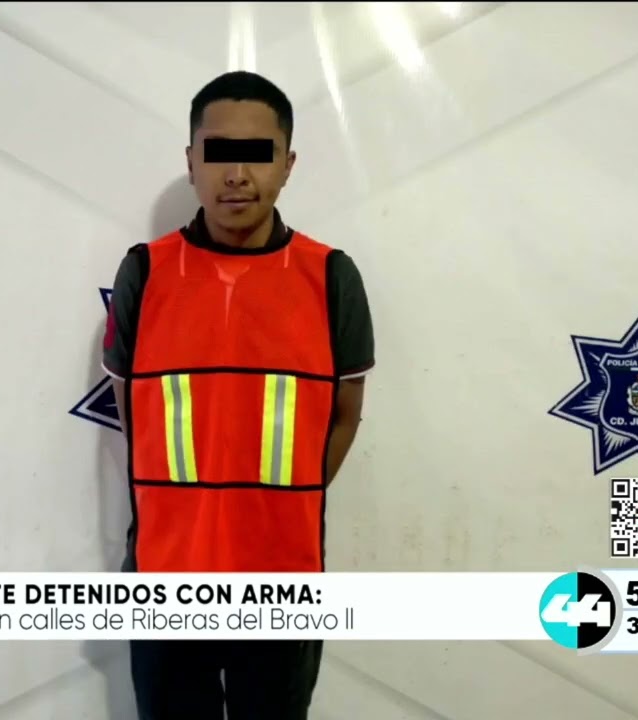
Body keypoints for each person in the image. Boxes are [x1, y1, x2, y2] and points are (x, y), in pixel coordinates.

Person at [101, 70, 375, 720]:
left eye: (258, 154)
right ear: (191, 160)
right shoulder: (145, 271)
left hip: (282, 581)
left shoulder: (330, 277)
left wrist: (280, 506)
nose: (237, 175)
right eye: (219, 153)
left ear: (288, 165)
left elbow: (345, 415)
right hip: (167, 578)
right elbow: (133, 412)